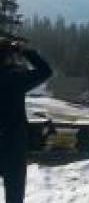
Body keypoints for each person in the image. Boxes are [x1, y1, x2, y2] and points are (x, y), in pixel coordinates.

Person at [0, 35, 52, 203]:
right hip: (13, 145)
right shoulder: (15, 78)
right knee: (14, 193)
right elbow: (45, 71)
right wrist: (25, 51)